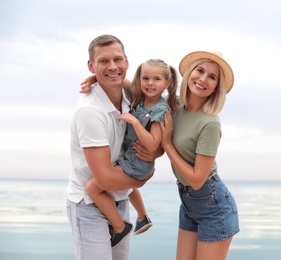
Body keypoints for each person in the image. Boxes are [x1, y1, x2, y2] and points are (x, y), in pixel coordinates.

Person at [67, 34, 161, 260]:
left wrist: (155, 151)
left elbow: (157, 143)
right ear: (91, 65)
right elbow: (105, 179)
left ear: (127, 62)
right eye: (103, 62)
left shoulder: (131, 97)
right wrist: (142, 179)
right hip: (89, 206)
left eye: (117, 60)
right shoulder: (90, 111)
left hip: (119, 199)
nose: (112, 67)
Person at [84, 59, 179, 246]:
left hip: (138, 165)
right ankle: (142, 217)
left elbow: (152, 144)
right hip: (129, 160)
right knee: (126, 187)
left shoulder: (160, 111)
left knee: (92, 188)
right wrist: (94, 77)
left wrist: (134, 121)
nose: (150, 83)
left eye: (156, 79)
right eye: (145, 78)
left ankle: (120, 227)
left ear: (167, 83)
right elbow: (119, 80)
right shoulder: (138, 95)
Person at [160, 50, 240, 260]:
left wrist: (167, 144)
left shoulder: (210, 123)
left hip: (213, 206)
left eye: (212, 77)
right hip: (188, 202)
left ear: (216, 87)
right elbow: (143, 89)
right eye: (200, 70)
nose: (203, 79)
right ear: (190, 73)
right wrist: (98, 77)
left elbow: (197, 179)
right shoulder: (174, 105)